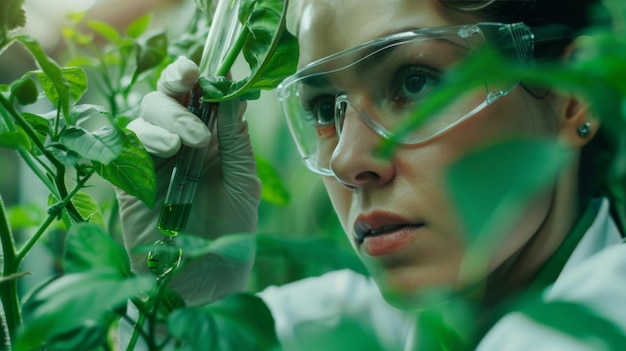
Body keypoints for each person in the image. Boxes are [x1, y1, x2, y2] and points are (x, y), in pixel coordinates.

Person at [117, 0, 626, 349]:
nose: (346, 160)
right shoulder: (336, 325)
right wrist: (188, 308)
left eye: (415, 81)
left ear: (572, 94)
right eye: (320, 108)